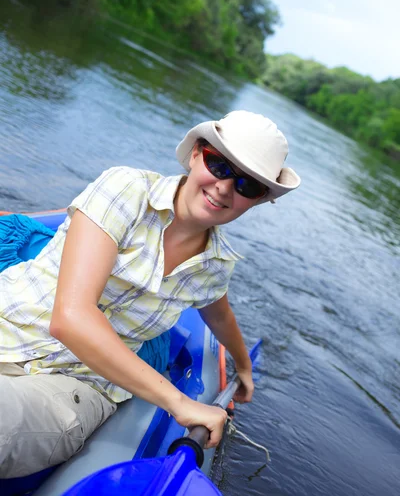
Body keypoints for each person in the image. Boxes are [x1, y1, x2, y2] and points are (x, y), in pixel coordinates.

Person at [0, 110, 300, 478]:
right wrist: (180, 403)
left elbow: (218, 314)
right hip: (11, 321)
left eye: (247, 185)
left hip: (79, 383)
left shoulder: (215, 266)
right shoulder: (126, 189)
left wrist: (243, 366)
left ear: (257, 200)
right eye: (219, 164)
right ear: (196, 154)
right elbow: (71, 317)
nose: (224, 187)